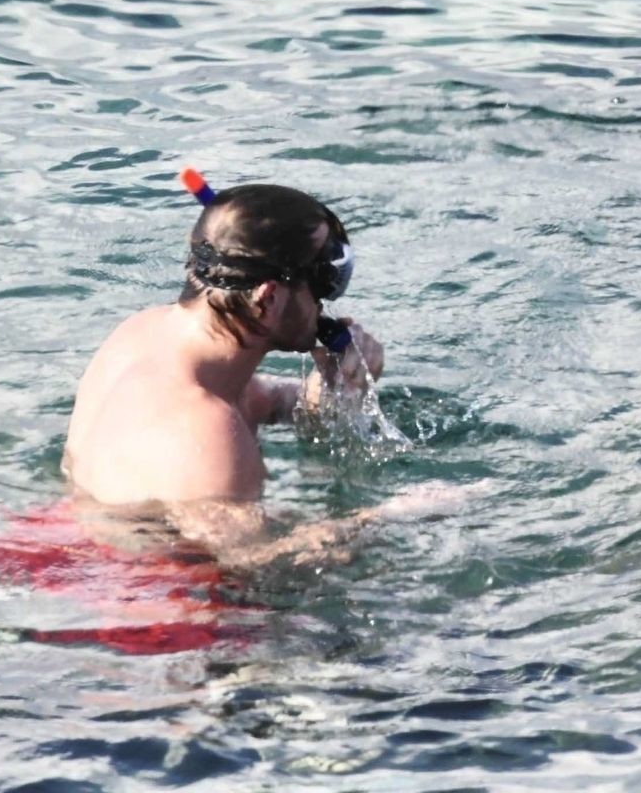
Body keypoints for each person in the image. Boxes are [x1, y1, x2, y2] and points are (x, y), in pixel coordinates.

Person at [61, 182, 409, 566]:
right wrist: (399, 514)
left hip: (64, 541)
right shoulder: (205, 428)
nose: (325, 301)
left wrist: (335, 387)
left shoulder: (144, 333)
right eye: (324, 279)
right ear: (269, 298)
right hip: (139, 589)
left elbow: (267, 401)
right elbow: (253, 562)